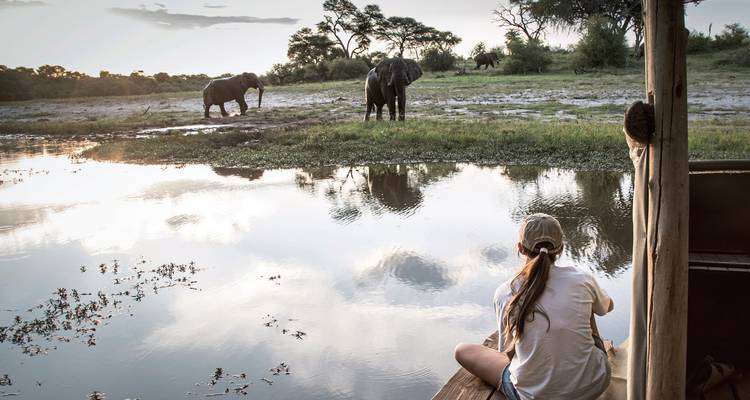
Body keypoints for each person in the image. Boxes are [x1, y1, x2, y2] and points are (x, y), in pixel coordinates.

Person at [454, 213, 614, 400]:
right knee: (587, 309)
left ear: (520, 248)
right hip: (593, 385)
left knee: (462, 350)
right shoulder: (582, 280)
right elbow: (607, 308)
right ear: (560, 248)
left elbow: (507, 354)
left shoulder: (506, 292)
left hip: (534, 396)